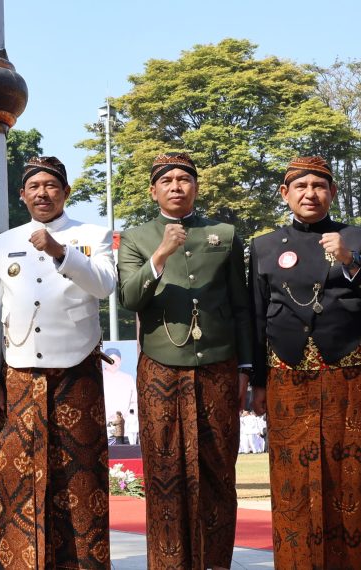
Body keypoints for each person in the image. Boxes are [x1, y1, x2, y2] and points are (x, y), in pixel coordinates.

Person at [249, 156, 361, 568]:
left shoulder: (358, 237)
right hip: (286, 373)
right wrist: (257, 380)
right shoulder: (265, 246)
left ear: (333, 192)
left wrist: (351, 260)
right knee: (292, 483)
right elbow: (256, 315)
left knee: (351, 476)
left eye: (319, 186)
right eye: (301, 186)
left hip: (347, 369)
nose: (310, 193)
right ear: (285, 193)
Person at [0, 156, 116, 568]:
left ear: (66, 192)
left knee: (80, 481)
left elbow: (104, 285)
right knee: (17, 477)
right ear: (22, 195)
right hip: (19, 373)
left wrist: (61, 252)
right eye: (34, 187)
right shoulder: (4, 242)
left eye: (51, 185)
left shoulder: (92, 234)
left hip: (77, 372)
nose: (43, 193)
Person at [117, 152, 252, 569]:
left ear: (196, 186)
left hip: (218, 365)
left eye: (184, 178)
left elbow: (241, 306)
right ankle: (168, 562)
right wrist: (160, 255)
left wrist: (246, 367)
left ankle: (216, 562)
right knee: (164, 471)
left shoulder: (224, 234)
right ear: (153, 190)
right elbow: (129, 299)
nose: (176, 186)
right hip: (160, 365)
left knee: (218, 469)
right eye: (167, 180)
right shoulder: (136, 238)